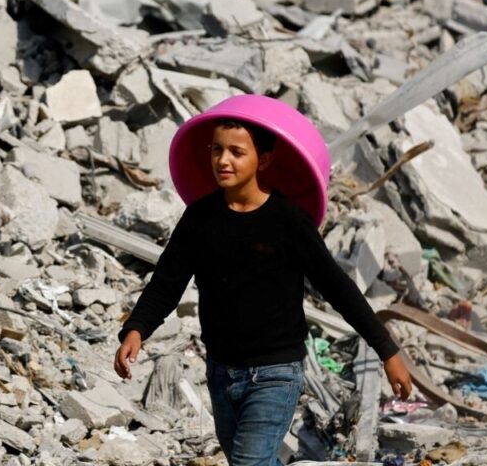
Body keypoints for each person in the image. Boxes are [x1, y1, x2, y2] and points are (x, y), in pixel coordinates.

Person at [113, 118, 412, 466]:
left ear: (264, 160)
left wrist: (387, 351)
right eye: (217, 149)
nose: (224, 160)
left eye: (237, 152)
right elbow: (167, 282)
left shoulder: (289, 221)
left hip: (276, 372)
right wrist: (137, 329)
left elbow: (338, 289)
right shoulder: (200, 219)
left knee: (247, 463)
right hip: (221, 371)